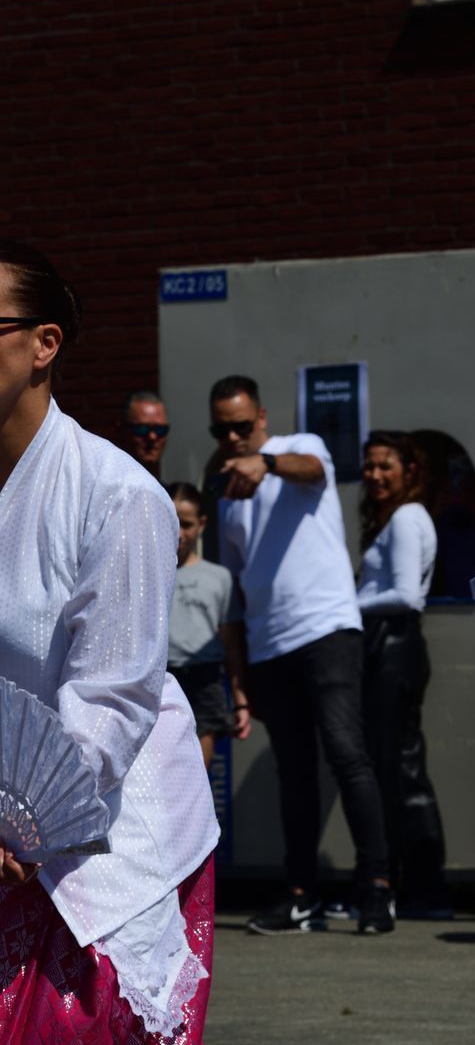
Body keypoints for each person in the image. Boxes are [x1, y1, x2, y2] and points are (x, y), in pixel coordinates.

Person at [0, 241, 219, 1041]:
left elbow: (111, 692)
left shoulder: (117, 494)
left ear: (43, 344)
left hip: (103, 830)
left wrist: (25, 821)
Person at [210, 374, 394, 935]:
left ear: (262, 418)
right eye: (222, 430)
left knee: (346, 752)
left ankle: (377, 889)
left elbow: (313, 472)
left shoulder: (301, 449)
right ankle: (301, 895)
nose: (234, 438)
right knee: (294, 773)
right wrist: (239, 679)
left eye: (243, 426)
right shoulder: (229, 501)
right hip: (270, 646)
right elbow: (234, 598)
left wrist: (264, 462)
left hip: (326, 629)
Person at [357, 430, 451, 918]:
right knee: (391, 764)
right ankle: (407, 883)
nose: (374, 475)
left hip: (396, 641)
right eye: (369, 466)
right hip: (384, 644)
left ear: (408, 471)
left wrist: (343, 608)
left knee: (403, 766)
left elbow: (408, 595)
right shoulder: (391, 519)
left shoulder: (410, 518)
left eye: (385, 466)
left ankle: (427, 888)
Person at [165, 481, 248, 768]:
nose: (179, 533)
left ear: (201, 524)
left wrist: (240, 700)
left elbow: (232, 644)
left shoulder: (220, 577)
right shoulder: (147, 574)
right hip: (162, 676)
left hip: (206, 676)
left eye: (186, 524)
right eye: (172, 521)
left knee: (197, 767)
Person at [118, 390, 169, 480]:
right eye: (142, 429)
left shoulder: (171, 493)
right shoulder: (106, 486)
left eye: (160, 430)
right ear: (122, 430)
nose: (152, 437)